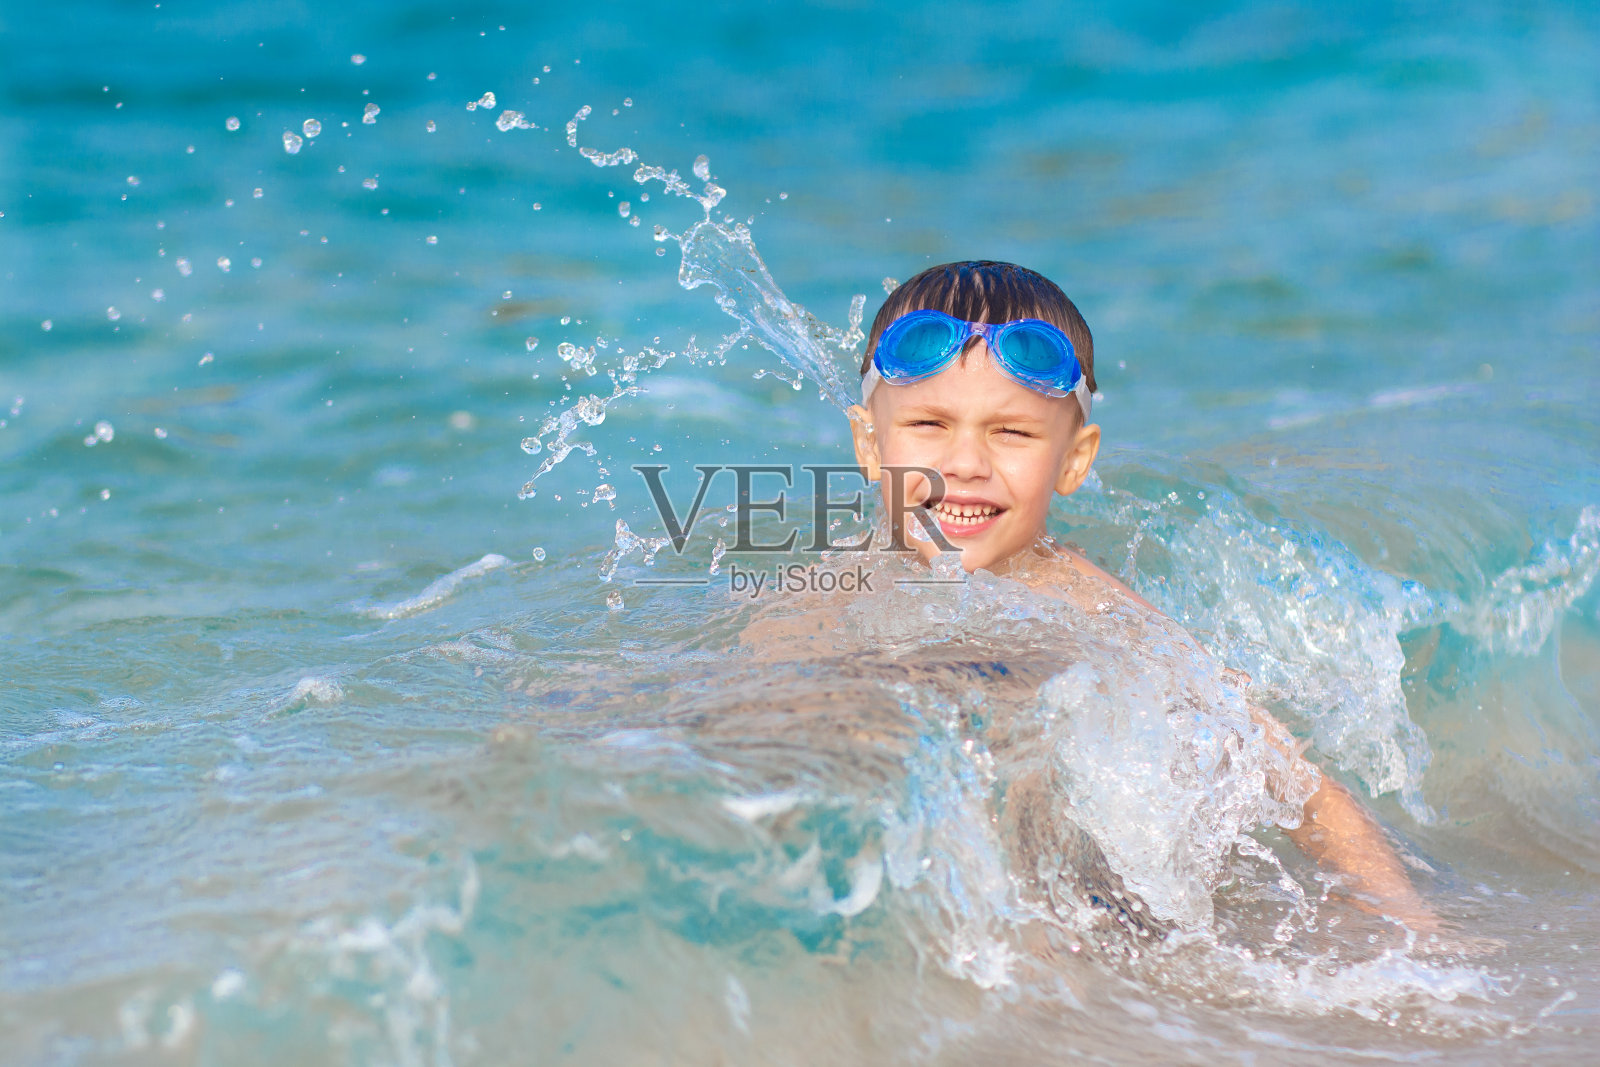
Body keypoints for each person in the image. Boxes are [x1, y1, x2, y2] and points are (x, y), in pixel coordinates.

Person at [841, 260, 1442, 936]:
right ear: (870, 443)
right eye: (929, 424)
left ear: (1073, 459)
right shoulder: (837, 587)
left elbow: (1287, 774)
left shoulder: (1086, 604)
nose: (966, 464)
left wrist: (1408, 919)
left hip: (1095, 912)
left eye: (1011, 432)